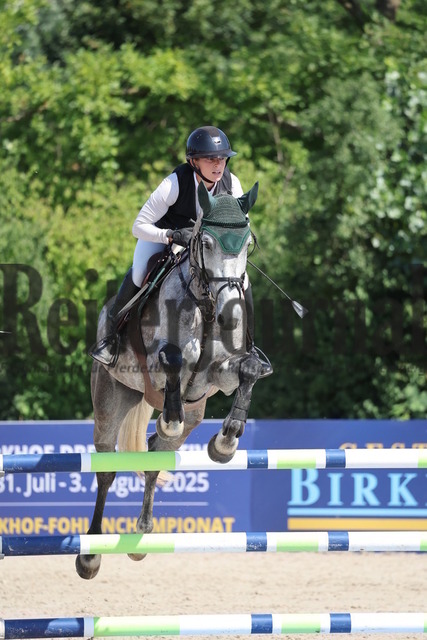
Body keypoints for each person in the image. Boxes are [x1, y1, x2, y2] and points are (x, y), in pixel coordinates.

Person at [90, 125, 272, 377]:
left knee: (244, 281)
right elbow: (138, 226)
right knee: (139, 272)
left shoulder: (232, 184)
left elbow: (242, 223)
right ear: (194, 161)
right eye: (210, 159)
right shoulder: (174, 184)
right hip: (165, 236)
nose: (218, 164)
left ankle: (250, 348)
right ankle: (111, 338)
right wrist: (169, 235)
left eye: (222, 158)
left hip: (208, 246)